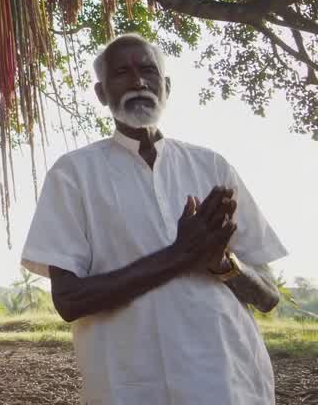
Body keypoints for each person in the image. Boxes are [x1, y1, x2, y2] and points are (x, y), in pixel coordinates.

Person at [20, 33, 287, 404]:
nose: (138, 81)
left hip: (227, 381)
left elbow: (268, 296)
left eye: (148, 70)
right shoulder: (73, 174)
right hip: (131, 385)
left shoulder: (211, 165)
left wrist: (223, 264)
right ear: (101, 93)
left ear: (166, 86)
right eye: (122, 73)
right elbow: (69, 300)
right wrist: (180, 255)